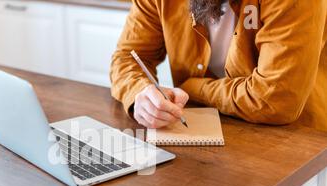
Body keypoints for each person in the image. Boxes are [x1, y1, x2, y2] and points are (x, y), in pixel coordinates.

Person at [110, 0, 327, 131]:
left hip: (298, 143)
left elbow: (276, 100)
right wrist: (140, 92)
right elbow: (128, 57)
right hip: (205, 135)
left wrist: (192, 88)